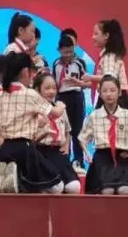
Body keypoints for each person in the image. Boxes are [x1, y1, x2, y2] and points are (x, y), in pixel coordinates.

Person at [0, 52, 66, 194]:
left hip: (4, 148)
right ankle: (16, 180)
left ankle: (12, 179)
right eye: (32, 71)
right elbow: (56, 113)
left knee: (25, 186)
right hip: (25, 148)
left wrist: (0, 141)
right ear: (25, 72)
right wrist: (61, 105)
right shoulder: (29, 94)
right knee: (56, 186)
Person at [78, 75, 128, 195]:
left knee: (124, 190)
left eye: (112, 90)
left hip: (122, 160)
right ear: (99, 93)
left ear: (119, 92)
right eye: (104, 91)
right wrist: (87, 153)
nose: (108, 94)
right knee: (107, 190)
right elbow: (82, 138)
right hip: (102, 161)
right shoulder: (94, 116)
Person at [86, 18, 128, 126]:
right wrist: (81, 83)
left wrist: (89, 76)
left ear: (106, 35)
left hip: (115, 101)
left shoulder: (109, 56)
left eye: (96, 34)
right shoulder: (109, 56)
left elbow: (109, 78)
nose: (93, 37)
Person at [32, 72, 81, 193]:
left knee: (74, 187)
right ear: (37, 89)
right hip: (41, 153)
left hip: (57, 153)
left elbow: (68, 130)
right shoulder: (33, 109)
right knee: (56, 188)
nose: (51, 91)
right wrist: (42, 134)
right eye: (47, 88)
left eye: (54, 88)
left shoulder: (60, 107)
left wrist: (66, 146)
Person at [51, 33, 88, 166]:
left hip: (76, 97)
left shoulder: (79, 63)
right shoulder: (56, 64)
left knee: (77, 129)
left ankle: (78, 160)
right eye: (65, 52)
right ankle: (64, 159)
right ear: (59, 50)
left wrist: (78, 83)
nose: (68, 55)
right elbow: (54, 83)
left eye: (71, 52)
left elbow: (87, 83)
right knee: (63, 128)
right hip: (62, 98)